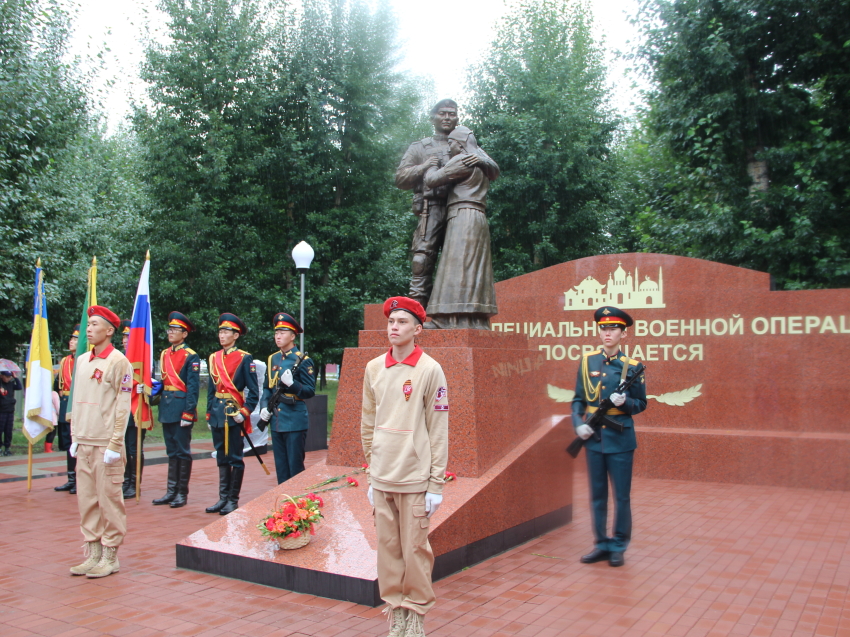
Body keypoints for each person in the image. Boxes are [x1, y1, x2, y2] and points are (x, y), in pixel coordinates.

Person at [361, 297, 449, 637]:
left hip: (414, 477)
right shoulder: (373, 368)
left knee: (415, 552)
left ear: (418, 329)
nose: (393, 327)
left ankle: (416, 614)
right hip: (382, 476)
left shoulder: (430, 370)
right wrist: (371, 469)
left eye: (401, 321)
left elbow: (438, 429)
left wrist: (436, 484)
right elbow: (368, 421)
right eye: (391, 321)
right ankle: (395, 609)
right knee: (388, 550)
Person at [571, 306, 647, 568]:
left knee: (621, 496)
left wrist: (625, 402)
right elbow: (578, 400)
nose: (607, 333)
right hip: (593, 438)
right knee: (597, 495)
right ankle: (601, 543)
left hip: (621, 440)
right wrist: (577, 424)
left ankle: (618, 545)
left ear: (623, 334)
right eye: (603, 328)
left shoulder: (633, 366)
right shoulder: (587, 361)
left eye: (613, 328)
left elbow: (641, 404)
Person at [68, 305, 133, 578]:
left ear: (109, 331)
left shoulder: (119, 361)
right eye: (89, 324)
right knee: (87, 500)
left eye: (95, 324)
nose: (89, 329)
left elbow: (122, 405)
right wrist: (74, 436)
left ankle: (110, 554)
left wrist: (115, 443)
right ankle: (92, 551)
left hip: (106, 444)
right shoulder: (82, 360)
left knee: (109, 501)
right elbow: (77, 401)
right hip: (84, 440)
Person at [422, 125, 499, 330]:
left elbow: (431, 180)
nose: (449, 148)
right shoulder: (481, 162)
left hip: (462, 216)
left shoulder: (462, 160)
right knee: (473, 267)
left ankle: (447, 320)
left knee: (456, 267)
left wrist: (431, 164)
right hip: (478, 217)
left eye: (451, 143)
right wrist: (483, 158)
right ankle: (474, 320)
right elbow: (496, 168)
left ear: (461, 143)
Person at [206, 313, 259, 515]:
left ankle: (232, 500)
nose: (222, 335)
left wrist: (244, 412)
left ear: (235, 335)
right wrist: (209, 413)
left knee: (235, 457)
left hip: (234, 412)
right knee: (221, 456)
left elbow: (254, 392)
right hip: (218, 412)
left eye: (226, 331)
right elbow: (211, 390)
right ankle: (222, 498)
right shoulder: (213, 358)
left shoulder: (245, 358)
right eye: (220, 331)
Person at [259, 312, 316, 485]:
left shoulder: (303, 360)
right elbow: (268, 388)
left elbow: (309, 391)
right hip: (277, 419)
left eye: (282, 333)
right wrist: (264, 407)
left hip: (294, 419)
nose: (278, 336)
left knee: (295, 467)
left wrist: (292, 385)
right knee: (281, 467)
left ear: (293, 336)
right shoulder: (272, 358)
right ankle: (285, 505)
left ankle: (299, 505)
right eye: (276, 333)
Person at [152, 311, 200, 508]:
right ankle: (171, 491)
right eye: (169, 329)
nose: (171, 333)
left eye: (175, 330)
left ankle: (182, 493)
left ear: (185, 334)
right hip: (167, 406)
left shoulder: (191, 356)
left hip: (181, 408)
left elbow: (193, 388)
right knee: (171, 451)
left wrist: (188, 412)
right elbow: (163, 382)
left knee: (182, 451)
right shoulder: (164, 354)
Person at [120, 319, 146, 499]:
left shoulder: (143, 356)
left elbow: (149, 381)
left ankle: (134, 483)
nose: (125, 340)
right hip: (120, 408)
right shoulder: (119, 357)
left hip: (136, 407)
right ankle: (125, 481)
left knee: (134, 449)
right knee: (122, 448)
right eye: (123, 336)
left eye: (128, 336)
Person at [54, 325, 79, 490]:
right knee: (68, 443)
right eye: (71, 339)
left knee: (78, 443)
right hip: (65, 403)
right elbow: (56, 386)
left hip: (77, 404)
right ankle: (71, 478)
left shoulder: (84, 360)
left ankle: (80, 479)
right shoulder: (64, 361)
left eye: (75, 339)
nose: (71, 342)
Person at [0, 370, 23, 456]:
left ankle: (7, 448)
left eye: (10, 377)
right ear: (2, 376)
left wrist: (15, 377)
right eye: (6, 377)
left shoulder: (11, 384)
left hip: (10, 410)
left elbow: (19, 387)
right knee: (0, 430)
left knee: (8, 430)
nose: (8, 378)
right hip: (1, 410)